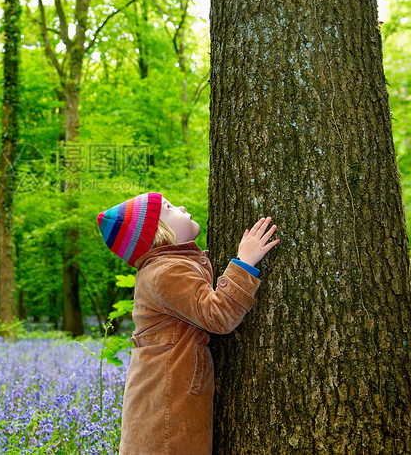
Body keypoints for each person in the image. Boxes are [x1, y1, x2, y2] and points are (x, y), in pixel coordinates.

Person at [96, 192, 279, 455]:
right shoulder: (165, 272)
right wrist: (244, 263)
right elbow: (219, 315)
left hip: (164, 402)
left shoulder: (168, 267)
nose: (181, 206)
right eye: (170, 208)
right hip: (166, 410)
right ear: (160, 232)